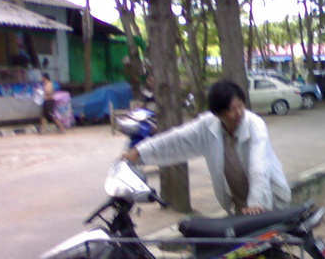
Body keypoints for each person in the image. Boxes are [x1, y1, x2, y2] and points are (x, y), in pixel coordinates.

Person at [122, 79, 291, 215]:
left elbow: (258, 167)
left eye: (240, 106)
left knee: (268, 254)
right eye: (232, 110)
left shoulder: (255, 125)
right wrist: (139, 152)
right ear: (218, 113)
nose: (239, 113)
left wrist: (256, 202)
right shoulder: (208, 126)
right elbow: (176, 139)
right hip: (241, 206)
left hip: (268, 200)